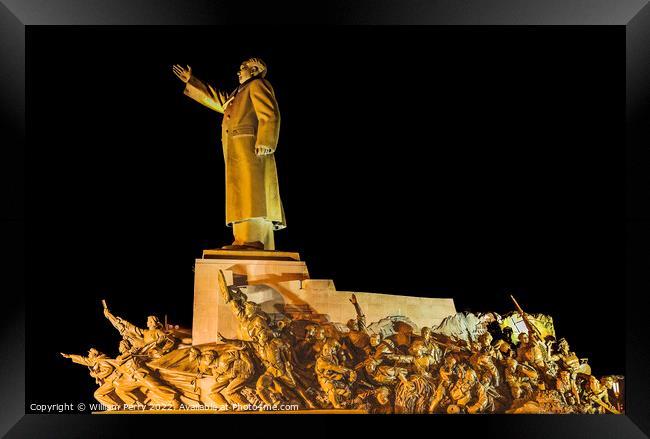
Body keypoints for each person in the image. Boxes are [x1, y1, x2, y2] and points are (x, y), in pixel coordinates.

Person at [172, 59, 285, 250]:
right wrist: (192, 81)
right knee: (241, 193)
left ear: (255, 70)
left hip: (251, 146)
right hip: (236, 149)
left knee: (251, 191)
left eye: (243, 68)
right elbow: (219, 100)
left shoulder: (258, 84)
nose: (238, 72)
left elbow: (270, 113)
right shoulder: (238, 93)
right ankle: (245, 240)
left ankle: (252, 240)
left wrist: (266, 140)